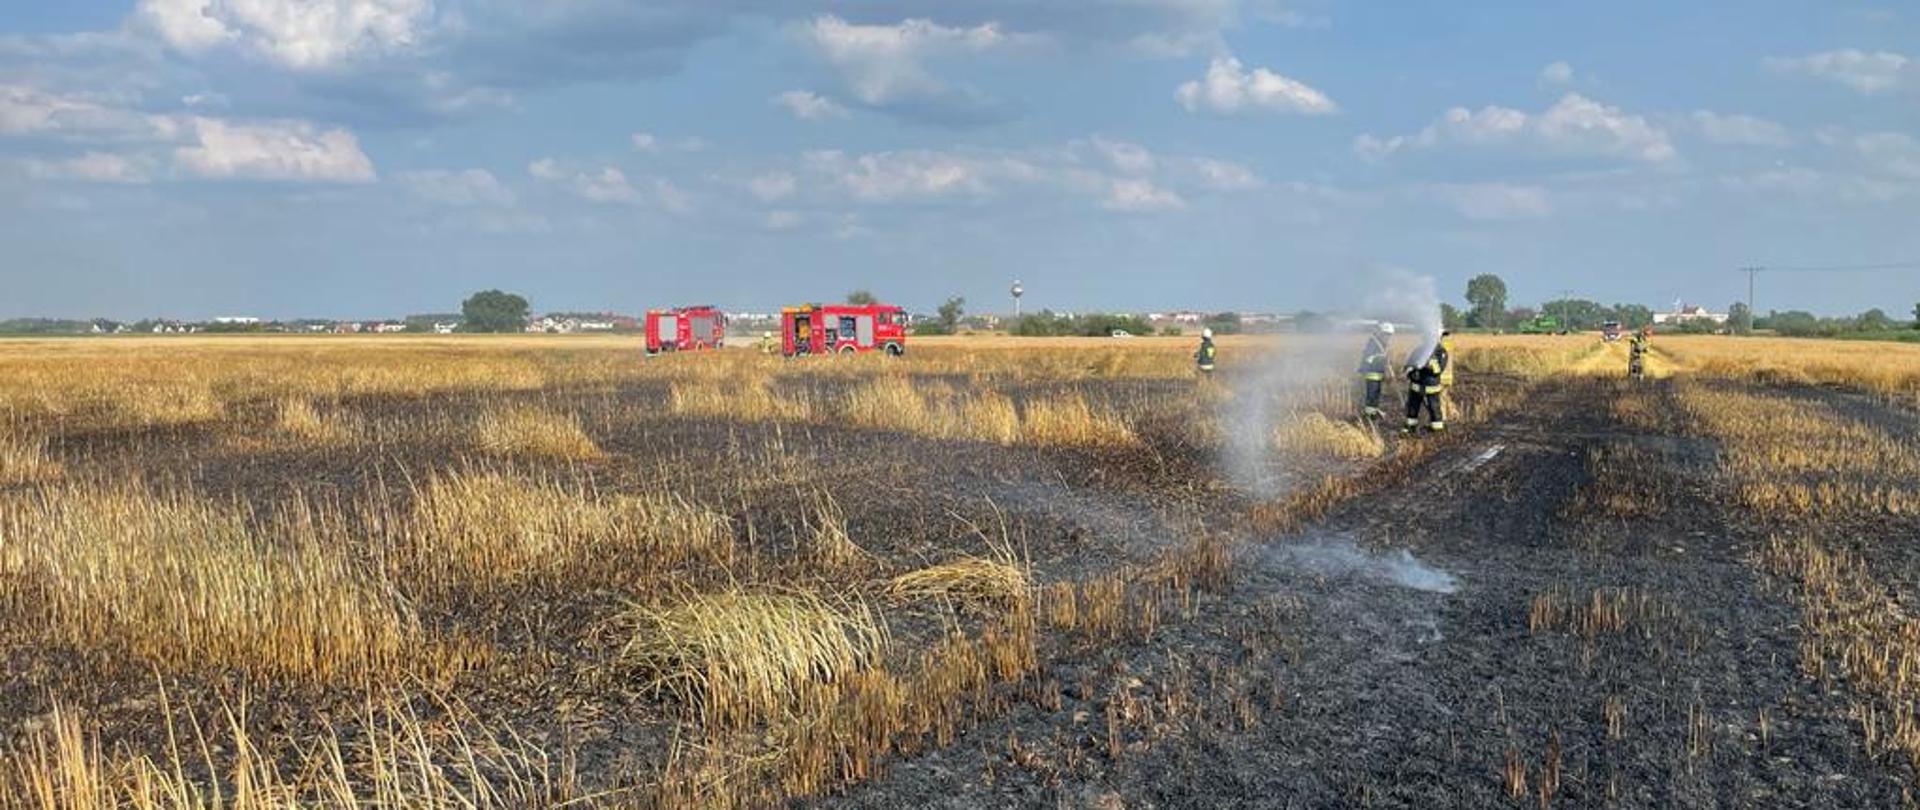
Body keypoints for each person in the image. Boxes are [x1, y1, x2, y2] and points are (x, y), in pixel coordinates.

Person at [1404, 336, 1449, 433]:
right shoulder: (1418, 350)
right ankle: (1410, 427)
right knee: (1412, 407)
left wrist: (1425, 365)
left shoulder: (1441, 352)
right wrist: (1411, 372)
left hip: (1431, 386)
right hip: (1416, 385)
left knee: (1434, 407)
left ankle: (1437, 429)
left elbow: (1438, 369)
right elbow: (1409, 365)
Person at [1357, 322, 1394, 420]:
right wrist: (1382, 358)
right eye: (1386, 335)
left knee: (1376, 394)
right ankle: (1369, 416)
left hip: (1378, 374)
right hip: (1371, 374)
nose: (1388, 338)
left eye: (1389, 335)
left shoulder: (1381, 344)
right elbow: (1368, 358)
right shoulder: (1373, 343)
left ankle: (1374, 411)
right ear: (1381, 333)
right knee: (1372, 395)